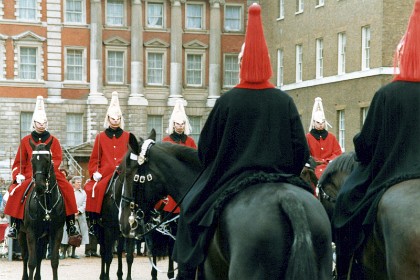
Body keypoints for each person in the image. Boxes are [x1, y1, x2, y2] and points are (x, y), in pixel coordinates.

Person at [172, 3, 310, 279]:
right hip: (281, 177)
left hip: (231, 181)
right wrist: (284, 176)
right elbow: (301, 151)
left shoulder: (227, 102)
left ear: (242, 63)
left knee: (190, 211)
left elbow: (206, 151)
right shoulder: (284, 101)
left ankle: (187, 272)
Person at [332, 1, 420, 279]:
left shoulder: (386, 95)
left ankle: (344, 269)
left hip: (390, 176)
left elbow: (366, 145)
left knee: (346, 200)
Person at [4, 96, 79, 239]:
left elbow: (57, 158)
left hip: (50, 173)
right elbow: (19, 162)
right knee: (16, 191)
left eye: (44, 122)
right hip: (29, 174)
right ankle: (14, 225)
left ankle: (70, 224)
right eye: (39, 122)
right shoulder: (25, 141)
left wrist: (49, 168)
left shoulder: (53, 140)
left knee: (68, 189)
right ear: (34, 123)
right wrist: (18, 175)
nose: (42, 125)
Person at [84, 91, 131, 236]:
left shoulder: (128, 136)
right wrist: (94, 172)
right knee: (93, 189)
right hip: (105, 174)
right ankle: (94, 220)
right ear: (108, 119)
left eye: (118, 118)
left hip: (124, 173)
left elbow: (131, 156)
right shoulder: (100, 137)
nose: (115, 121)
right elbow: (94, 160)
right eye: (113, 118)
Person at [306, 97, 342, 179]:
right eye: (318, 123)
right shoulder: (308, 137)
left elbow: (338, 152)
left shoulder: (331, 137)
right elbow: (305, 154)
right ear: (314, 122)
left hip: (330, 166)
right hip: (313, 168)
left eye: (322, 122)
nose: (321, 124)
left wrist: (328, 160)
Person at [61, 176, 89, 259]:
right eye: (77, 182)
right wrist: (72, 211)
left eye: (80, 182)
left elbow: (84, 203)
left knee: (76, 235)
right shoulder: (69, 191)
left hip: (79, 216)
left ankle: (73, 252)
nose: (79, 184)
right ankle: (63, 253)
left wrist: (79, 211)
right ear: (73, 184)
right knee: (66, 235)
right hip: (69, 216)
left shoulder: (83, 193)